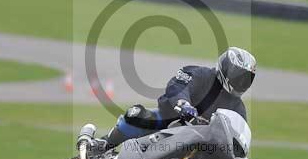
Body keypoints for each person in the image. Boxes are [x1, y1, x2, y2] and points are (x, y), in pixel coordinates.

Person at [93, 47, 256, 151]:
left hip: (201, 145)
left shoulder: (238, 108)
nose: (241, 82)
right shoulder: (200, 74)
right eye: (239, 76)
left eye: (246, 79)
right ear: (226, 68)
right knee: (136, 116)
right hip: (170, 120)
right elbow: (178, 87)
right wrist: (184, 104)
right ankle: (104, 145)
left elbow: (239, 134)